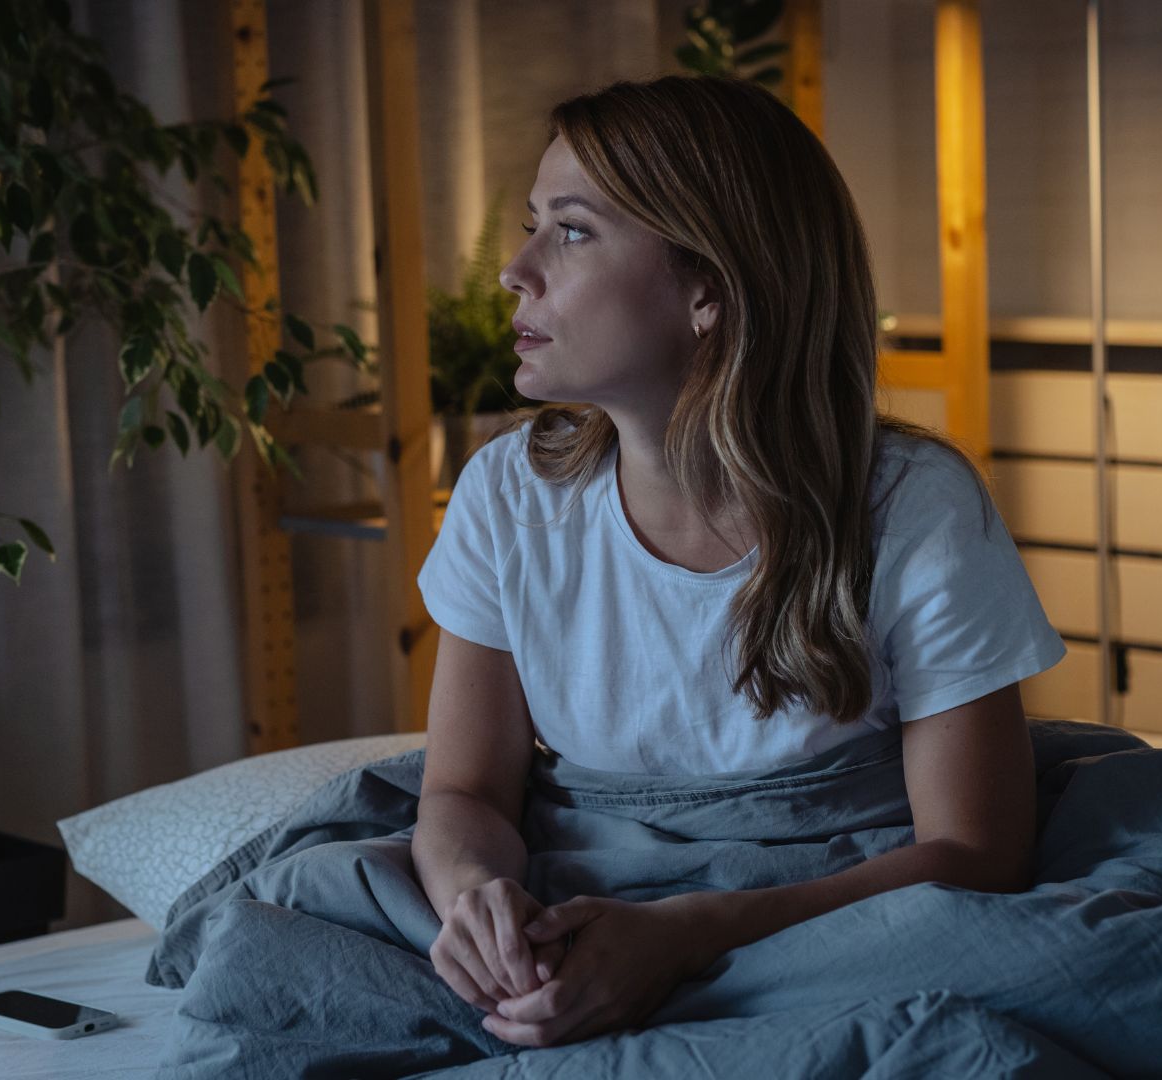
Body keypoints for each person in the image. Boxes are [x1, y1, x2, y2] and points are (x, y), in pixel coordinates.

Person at [410, 75, 1067, 1050]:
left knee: (1011, 1014)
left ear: (708, 287)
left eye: (572, 231)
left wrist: (690, 933)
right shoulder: (510, 495)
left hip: (831, 902)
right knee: (279, 942)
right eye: (530, 225)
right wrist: (480, 905)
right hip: (586, 877)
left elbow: (975, 853)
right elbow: (462, 792)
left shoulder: (908, 505)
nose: (516, 269)